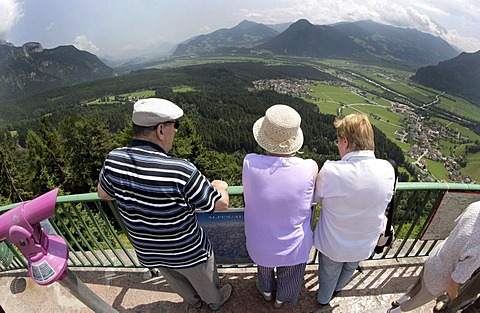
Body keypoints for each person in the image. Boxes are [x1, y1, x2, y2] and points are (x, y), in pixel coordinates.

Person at [97, 98, 232, 311]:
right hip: (187, 250)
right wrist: (219, 185)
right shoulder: (180, 170)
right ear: (161, 130)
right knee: (206, 283)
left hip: (149, 250)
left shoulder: (114, 159)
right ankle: (215, 303)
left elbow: (104, 193)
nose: (176, 131)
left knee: (178, 282)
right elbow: (219, 204)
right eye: (174, 125)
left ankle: (193, 304)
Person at [313, 113, 396, 307]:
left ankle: (323, 300)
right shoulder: (387, 169)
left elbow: (314, 199)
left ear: (345, 141)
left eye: (338, 140)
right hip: (365, 242)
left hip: (333, 244)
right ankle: (337, 290)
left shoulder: (331, 171)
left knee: (329, 273)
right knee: (350, 268)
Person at [242, 104, 318, 308]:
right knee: (292, 273)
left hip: (259, 242)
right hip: (295, 245)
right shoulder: (309, 167)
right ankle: (280, 300)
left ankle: (266, 292)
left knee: (264, 267)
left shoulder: (249, 162)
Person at [388, 201, 480, 313]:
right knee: (417, 300)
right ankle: (394, 311)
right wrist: (453, 297)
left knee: (418, 284)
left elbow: (456, 224)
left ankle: (399, 301)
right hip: (440, 277)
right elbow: (454, 281)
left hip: (436, 256)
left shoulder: (476, 206)